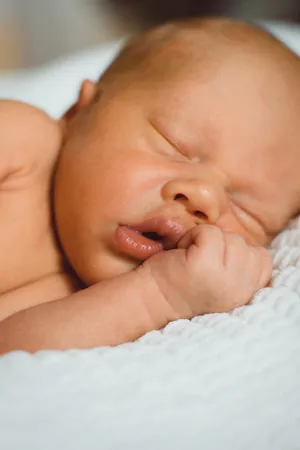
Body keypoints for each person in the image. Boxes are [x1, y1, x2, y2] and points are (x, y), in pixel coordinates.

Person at [1, 17, 299, 353]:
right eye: (176, 145)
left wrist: (160, 294)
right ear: (79, 111)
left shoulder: (97, 306)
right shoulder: (25, 145)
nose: (204, 197)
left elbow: (12, 357)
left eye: (247, 209)